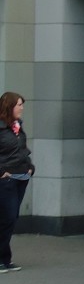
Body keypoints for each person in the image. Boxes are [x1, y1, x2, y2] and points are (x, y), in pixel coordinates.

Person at [0, 91, 35, 273]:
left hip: (22, 177)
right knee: (7, 217)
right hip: (6, 179)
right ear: (9, 106)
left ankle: (5, 259)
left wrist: (30, 167)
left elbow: (23, 150)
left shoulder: (17, 127)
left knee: (11, 219)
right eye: (19, 104)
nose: (22, 108)